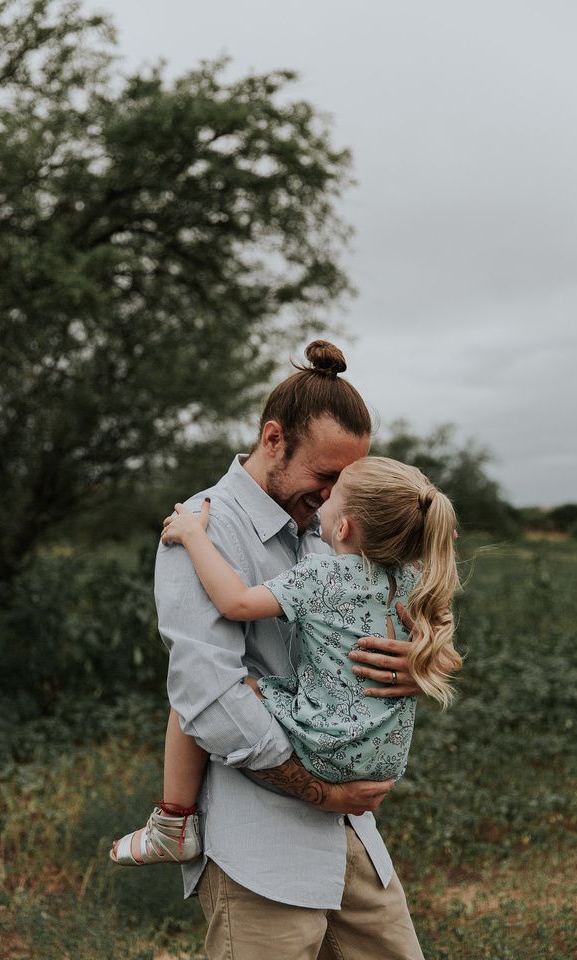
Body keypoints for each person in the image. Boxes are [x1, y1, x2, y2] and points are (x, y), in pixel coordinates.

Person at [113, 341, 438, 960]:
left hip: (353, 838)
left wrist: (417, 666)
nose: (333, 495)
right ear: (272, 438)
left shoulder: (337, 526)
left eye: (347, 480)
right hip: (261, 845)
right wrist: (321, 788)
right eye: (325, 476)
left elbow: (408, 617)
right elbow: (207, 698)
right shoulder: (204, 529)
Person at [112, 455, 461, 869]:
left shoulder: (321, 574)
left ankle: (172, 825)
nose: (326, 496)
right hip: (383, 764)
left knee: (197, 692)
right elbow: (447, 657)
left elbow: (236, 602)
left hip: (328, 748)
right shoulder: (412, 582)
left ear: (345, 527)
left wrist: (194, 537)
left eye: (336, 491)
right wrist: (424, 666)